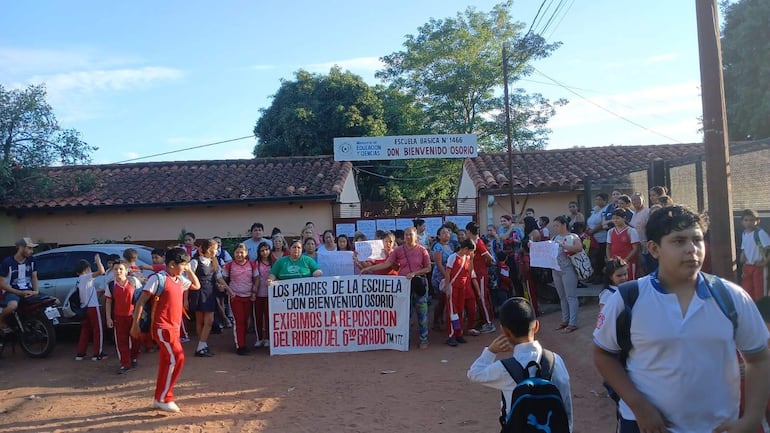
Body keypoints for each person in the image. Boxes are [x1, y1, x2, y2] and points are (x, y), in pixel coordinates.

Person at [593, 205, 770, 433]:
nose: (692, 250)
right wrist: (639, 406)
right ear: (654, 249)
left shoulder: (731, 297)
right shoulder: (629, 298)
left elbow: (759, 358)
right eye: (678, 241)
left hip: (718, 427)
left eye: (697, 240)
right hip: (645, 426)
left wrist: (752, 417)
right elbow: (603, 354)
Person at [467, 297, 573, 431]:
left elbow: (474, 373)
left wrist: (490, 351)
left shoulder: (505, 369)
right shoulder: (556, 361)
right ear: (537, 326)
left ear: (505, 331)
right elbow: (566, 404)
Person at [131, 247, 201, 413]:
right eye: (183, 265)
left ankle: (159, 397)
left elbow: (196, 286)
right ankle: (165, 397)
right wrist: (135, 323)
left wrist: (189, 270)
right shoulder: (158, 279)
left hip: (174, 328)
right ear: (171, 264)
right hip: (163, 327)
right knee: (177, 358)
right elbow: (141, 301)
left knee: (167, 362)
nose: (184, 268)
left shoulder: (179, 279)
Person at [361, 227, 432, 349]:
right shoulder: (398, 250)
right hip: (404, 285)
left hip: (419, 283)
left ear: (416, 236)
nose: (408, 237)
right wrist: (369, 269)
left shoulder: (422, 250)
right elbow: (387, 263)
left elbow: (428, 268)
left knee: (422, 312)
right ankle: (404, 339)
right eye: (406, 235)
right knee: (405, 314)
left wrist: (415, 273)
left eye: (410, 235)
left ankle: (424, 339)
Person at [189, 239, 227, 357]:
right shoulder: (194, 262)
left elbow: (218, 278)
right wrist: (185, 299)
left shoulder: (214, 262)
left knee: (209, 321)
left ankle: (201, 345)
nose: (216, 251)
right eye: (214, 249)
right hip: (198, 293)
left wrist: (226, 289)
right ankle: (202, 346)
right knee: (200, 321)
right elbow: (187, 281)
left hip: (210, 293)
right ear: (207, 249)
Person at [105, 260, 141, 374]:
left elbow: (140, 299)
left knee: (136, 339)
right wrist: (108, 318)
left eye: (121, 269)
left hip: (133, 316)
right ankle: (125, 363)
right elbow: (108, 302)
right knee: (121, 341)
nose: (118, 271)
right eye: (115, 269)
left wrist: (140, 316)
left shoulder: (133, 282)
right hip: (119, 317)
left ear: (126, 271)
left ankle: (133, 357)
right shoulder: (111, 285)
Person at [222, 243, 258, 355]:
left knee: (246, 321)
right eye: (237, 252)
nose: (239, 254)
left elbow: (256, 278)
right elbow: (222, 279)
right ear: (234, 253)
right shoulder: (229, 265)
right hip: (235, 297)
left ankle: (244, 342)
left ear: (246, 253)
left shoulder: (252, 264)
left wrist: (254, 291)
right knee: (239, 321)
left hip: (248, 297)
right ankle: (240, 346)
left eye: (242, 252)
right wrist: (227, 290)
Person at [0, 237, 40, 333]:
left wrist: (36, 291)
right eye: (29, 248)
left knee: (55, 301)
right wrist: (19, 292)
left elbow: (34, 277)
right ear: (21, 248)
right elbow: (1, 283)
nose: (32, 251)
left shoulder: (32, 260)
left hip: (28, 290)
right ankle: (1, 320)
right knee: (12, 306)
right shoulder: (7, 262)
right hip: (11, 292)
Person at [551, 215, 583, 334]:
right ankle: (565, 320)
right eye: (554, 226)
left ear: (564, 225)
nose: (555, 228)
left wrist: (563, 245)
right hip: (556, 270)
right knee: (562, 297)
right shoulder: (555, 237)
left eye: (557, 225)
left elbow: (579, 248)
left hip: (568, 269)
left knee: (571, 296)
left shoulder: (573, 236)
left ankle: (572, 323)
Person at [444, 239, 477, 346]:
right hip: (453, 287)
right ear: (466, 249)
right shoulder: (453, 257)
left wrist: (471, 259)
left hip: (462, 287)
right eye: (470, 251)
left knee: (460, 311)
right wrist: (448, 287)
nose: (471, 253)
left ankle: (459, 333)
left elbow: (470, 271)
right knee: (453, 312)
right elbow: (447, 273)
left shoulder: (467, 257)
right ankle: (451, 335)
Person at [75, 254, 107, 361]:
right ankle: (98, 353)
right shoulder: (86, 277)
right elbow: (101, 271)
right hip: (92, 307)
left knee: (85, 330)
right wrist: (98, 261)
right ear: (87, 269)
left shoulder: (79, 280)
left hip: (84, 307)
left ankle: (80, 353)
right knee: (98, 329)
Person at [466, 221, 496, 334]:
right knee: (479, 298)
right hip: (475, 273)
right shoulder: (474, 242)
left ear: (468, 231)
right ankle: (484, 320)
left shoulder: (478, 242)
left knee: (482, 297)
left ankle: (489, 323)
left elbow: (489, 257)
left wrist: (486, 264)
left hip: (480, 274)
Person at [740, 209, 770, 301]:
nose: (748, 223)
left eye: (751, 220)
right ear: (742, 222)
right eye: (746, 220)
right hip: (748, 267)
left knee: (759, 293)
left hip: (759, 268)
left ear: (757, 221)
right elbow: (744, 249)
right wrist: (742, 260)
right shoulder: (744, 233)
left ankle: (762, 314)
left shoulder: (760, 233)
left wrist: (764, 263)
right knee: (747, 292)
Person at [431, 226, 455, 331]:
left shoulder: (450, 246)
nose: (446, 235)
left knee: (446, 300)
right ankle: (435, 321)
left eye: (448, 232)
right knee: (440, 300)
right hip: (440, 277)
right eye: (443, 233)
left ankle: (441, 318)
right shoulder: (437, 246)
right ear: (439, 236)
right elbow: (439, 264)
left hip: (448, 275)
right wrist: (446, 276)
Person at [606, 209, 640, 280]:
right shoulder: (610, 231)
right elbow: (608, 247)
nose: (615, 220)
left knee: (630, 281)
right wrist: (610, 260)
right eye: (613, 218)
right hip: (615, 263)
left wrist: (625, 260)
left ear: (624, 218)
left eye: (617, 218)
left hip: (629, 262)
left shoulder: (631, 231)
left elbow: (635, 248)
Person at [253, 241, 274, 348]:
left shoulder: (274, 263)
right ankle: (259, 338)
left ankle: (268, 338)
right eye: (262, 250)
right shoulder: (256, 263)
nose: (264, 252)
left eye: (266, 249)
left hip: (271, 294)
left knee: (269, 317)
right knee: (258, 317)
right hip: (258, 294)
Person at [588, 193, 611, 282]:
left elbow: (602, 223)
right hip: (592, 238)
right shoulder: (594, 209)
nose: (597, 201)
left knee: (600, 258)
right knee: (593, 257)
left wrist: (593, 231)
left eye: (599, 199)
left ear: (605, 200)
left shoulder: (606, 209)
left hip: (602, 237)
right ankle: (594, 274)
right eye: (596, 199)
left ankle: (600, 276)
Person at [629, 193, 651, 276]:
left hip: (645, 244)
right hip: (636, 244)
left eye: (638, 199)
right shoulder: (634, 213)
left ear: (643, 200)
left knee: (646, 266)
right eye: (633, 200)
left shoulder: (647, 212)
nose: (635, 202)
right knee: (640, 266)